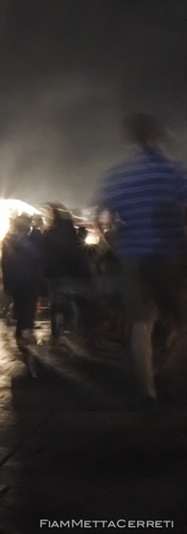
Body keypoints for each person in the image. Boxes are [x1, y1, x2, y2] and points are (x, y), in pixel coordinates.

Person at [97, 113, 187, 408]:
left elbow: (102, 218)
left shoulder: (117, 175)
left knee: (141, 324)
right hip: (170, 255)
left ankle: (147, 390)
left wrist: (117, 244)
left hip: (134, 258)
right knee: (181, 319)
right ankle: (171, 373)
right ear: (158, 136)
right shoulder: (173, 172)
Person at [40, 205, 90, 342]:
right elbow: (80, 254)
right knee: (74, 302)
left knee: (56, 303)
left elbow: (43, 255)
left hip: (53, 275)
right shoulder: (73, 234)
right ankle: (77, 331)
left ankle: (57, 331)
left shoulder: (49, 234)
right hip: (72, 273)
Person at [2, 215, 42, 344]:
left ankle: (20, 331)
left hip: (14, 279)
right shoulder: (26, 240)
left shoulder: (8, 239)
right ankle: (25, 331)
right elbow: (35, 255)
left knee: (20, 305)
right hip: (27, 278)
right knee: (27, 305)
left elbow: (5, 263)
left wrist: (6, 281)